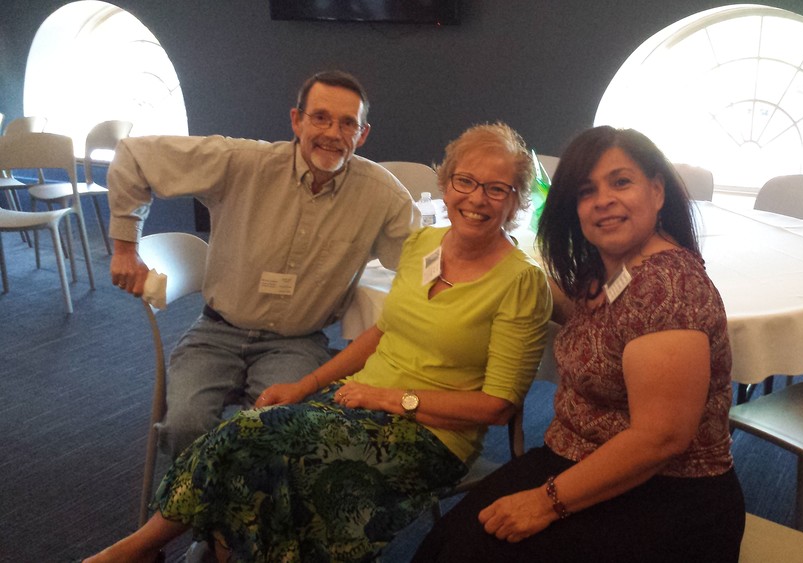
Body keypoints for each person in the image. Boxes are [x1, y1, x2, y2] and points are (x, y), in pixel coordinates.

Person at [84, 122, 552, 563]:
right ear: (447, 184)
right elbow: (381, 332)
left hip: (431, 435)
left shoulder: (521, 283)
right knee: (243, 440)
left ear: (516, 202)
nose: (477, 198)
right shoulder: (423, 244)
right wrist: (305, 386)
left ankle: (146, 553)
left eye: (497, 189)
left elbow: (497, 407)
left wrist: (388, 399)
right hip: (358, 402)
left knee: (275, 463)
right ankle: (145, 550)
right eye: (465, 181)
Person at [414, 126, 745, 562]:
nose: (603, 200)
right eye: (587, 191)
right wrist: (502, 265)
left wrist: (544, 503)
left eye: (621, 182)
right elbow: (597, 319)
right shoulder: (609, 269)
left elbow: (660, 438)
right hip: (578, 458)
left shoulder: (669, 287)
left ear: (657, 191)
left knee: (466, 554)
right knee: (447, 542)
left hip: (666, 494)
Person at [107, 70, 419, 459]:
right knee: (186, 424)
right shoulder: (242, 162)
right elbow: (133, 157)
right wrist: (125, 248)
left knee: (281, 431)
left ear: (362, 134)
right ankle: (205, 495)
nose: (333, 133)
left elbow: (422, 262)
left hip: (296, 342)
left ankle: (244, 495)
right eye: (320, 118)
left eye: (347, 123)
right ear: (297, 121)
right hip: (218, 330)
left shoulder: (382, 196)